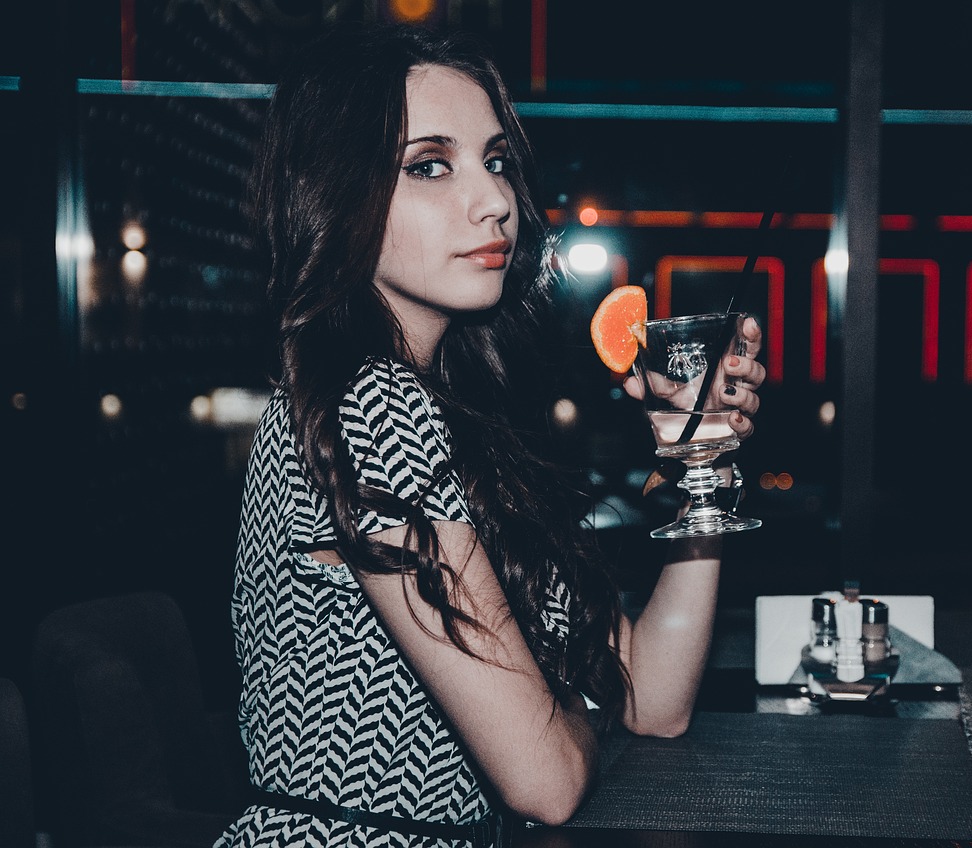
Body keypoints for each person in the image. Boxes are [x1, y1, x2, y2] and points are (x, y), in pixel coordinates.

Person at [216, 22, 765, 848]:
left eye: (497, 160)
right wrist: (577, 710)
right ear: (337, 192)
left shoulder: (452, 418)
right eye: (429, 166)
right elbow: (547, 781)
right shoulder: (372, 405)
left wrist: (703, 459)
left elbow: (653, 699)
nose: (497, 201)